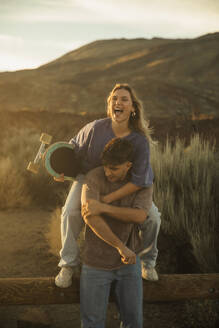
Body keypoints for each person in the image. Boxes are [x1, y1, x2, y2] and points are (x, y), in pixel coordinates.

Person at [55, 83, 161, 288]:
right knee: (70, 212)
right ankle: (67, 264)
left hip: (126, 184)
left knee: (153, 218)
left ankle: (148, 263)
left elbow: (139, 180)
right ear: (109, 105)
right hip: (90, 180)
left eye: (124, 99)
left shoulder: (139, 141)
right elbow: (71, 151)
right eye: (114, 99)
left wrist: (106, 201)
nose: (118, 102)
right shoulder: (94, 129)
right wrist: (62, 170)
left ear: (133, 108)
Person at [80, 137, 153, 328]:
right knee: (92, 324)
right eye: (105, 166)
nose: (107, 172)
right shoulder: (93, 177)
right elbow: (90, 217)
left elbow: (140, 216)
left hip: (129, 265)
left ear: (128, 165)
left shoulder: (142, 181)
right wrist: (121, 247)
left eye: (113, 168)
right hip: (96, 262)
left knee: (133, 322)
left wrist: (104, 207)